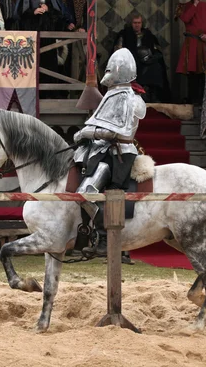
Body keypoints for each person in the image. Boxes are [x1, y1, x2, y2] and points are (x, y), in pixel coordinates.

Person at [73, 48, 146, 257]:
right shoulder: (113, 95)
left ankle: (105, 238)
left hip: (121, 152)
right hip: (107, 150)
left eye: (110, 69)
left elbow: (117, 131)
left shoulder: (132, 99)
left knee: (86, 192)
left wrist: (88, 132)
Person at [14, 0, 71, 98]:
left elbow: (59, 13)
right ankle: (28, 95)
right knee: (30, 63)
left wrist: (48, 9)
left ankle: (48, 95)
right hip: (30, 33)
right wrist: (33, 12)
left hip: (46, 32)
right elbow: (18, 14)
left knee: (48, 63)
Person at [114, 14, 170, 103]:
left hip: (147, 62)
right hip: (130, 62)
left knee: (157, 68)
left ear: (142, 23)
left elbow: (157, 51)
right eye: (135, 23)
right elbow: (118, 51)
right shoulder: (124, 34)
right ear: (131, 23)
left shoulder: (148, 35)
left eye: (139, 23)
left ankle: (153, 95)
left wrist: (152, 58)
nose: (137, 25)